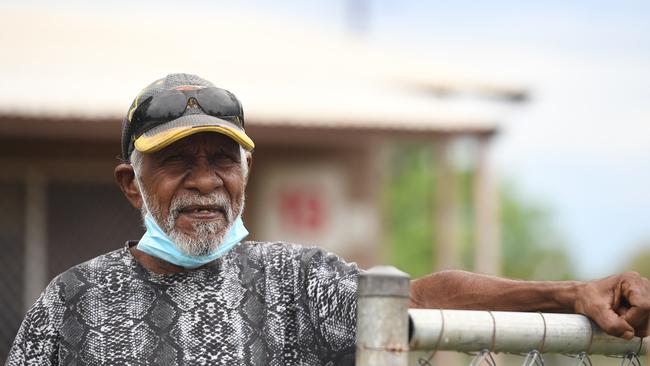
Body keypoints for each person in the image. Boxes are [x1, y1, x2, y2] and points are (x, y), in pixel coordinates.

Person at [6, 73, 650, 365]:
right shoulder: (72, 303)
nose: (205, 181)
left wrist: (572, 292)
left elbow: (420, 298)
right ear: (131, 184)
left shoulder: (295, 281)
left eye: (222, 159)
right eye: (177, 162)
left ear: (245, 173)